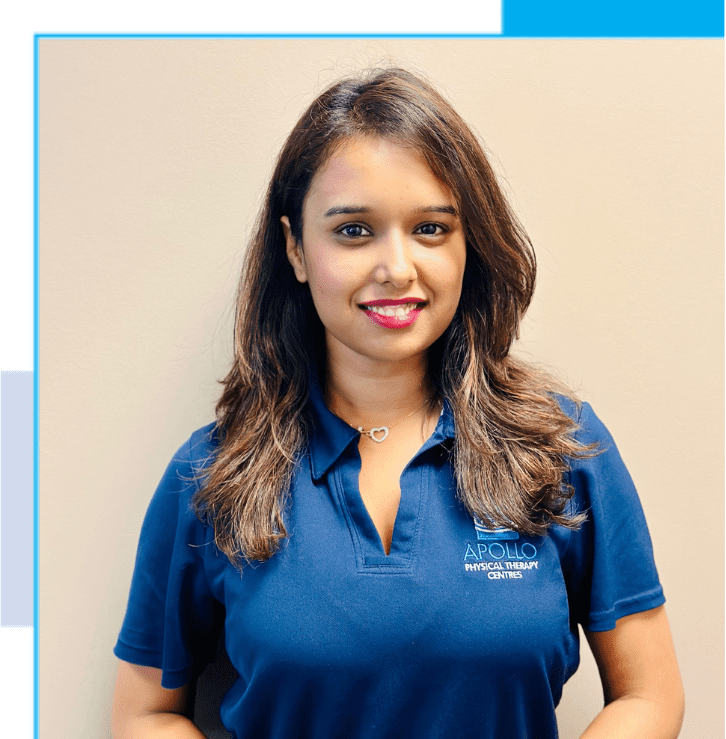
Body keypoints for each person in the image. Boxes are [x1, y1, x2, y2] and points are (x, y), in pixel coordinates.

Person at [111, 67, 684, 738]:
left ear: (469, 242)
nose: (398, 267)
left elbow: (650, 694)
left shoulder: (562, 448)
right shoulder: (211, 475)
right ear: (296, 247)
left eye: (431, 229)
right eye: (354, 231)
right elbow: (144, 714)